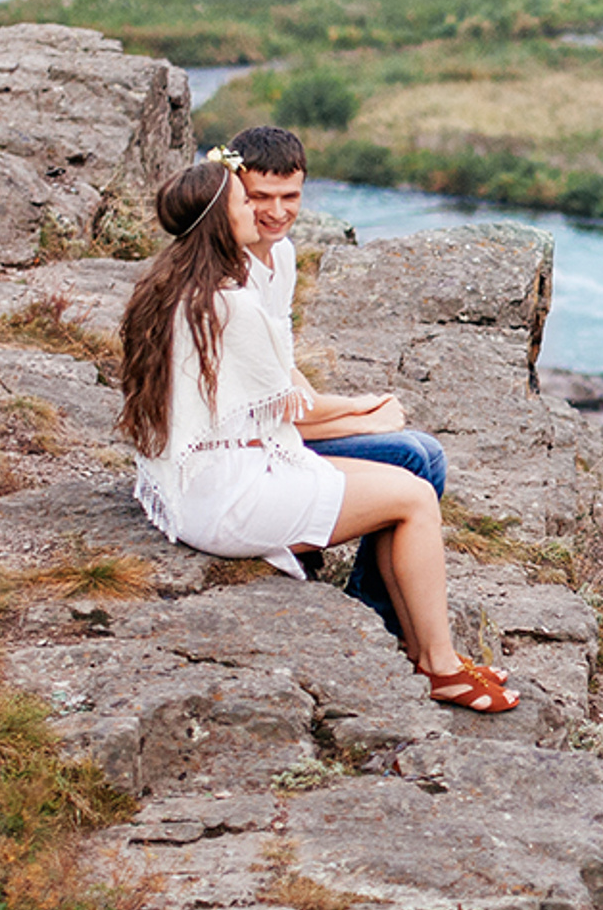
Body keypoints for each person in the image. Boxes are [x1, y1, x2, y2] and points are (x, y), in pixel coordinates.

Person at [119, 154, 516, 712]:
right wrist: (369, 412)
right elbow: (288, 413)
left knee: (404, 482)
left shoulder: (172, 285)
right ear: (219, 220)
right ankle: (441, 666)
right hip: (232, 496)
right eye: (244, 202)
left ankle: (427, 654)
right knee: (415, 496)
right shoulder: (228, 305)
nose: (258, 213)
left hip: (206, 481)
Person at [224, 124, 446, 640]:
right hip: (251, 441)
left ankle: (381, 598)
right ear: (235, 193)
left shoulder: (279, 255)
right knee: (415, 457)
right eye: (260, 197)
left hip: (275, 422)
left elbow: (283, 365)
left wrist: (347, 411)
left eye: (290, 196)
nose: (278, 211)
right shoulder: (231, 278)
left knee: (423, 452)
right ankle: (377, 609)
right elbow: (273, 404)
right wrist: (363, 410)